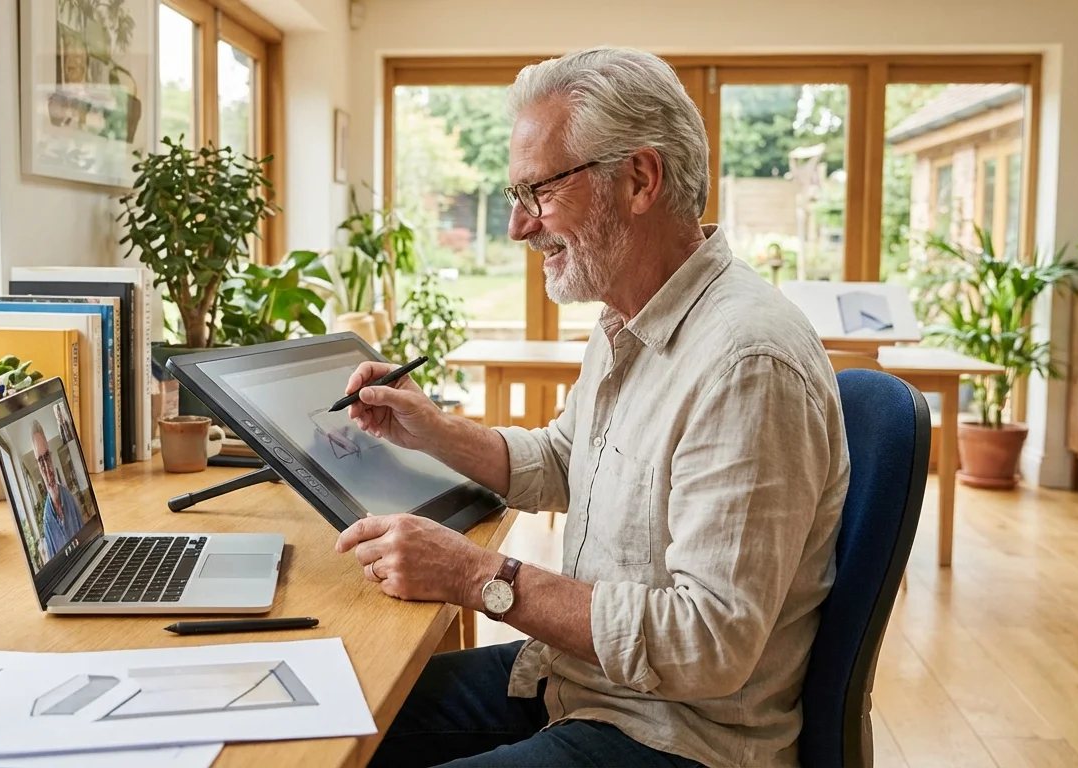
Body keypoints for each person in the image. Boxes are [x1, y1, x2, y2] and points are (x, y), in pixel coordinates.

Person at [334, 47, 849, 768]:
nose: (519, 229)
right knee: (343, 722)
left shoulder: (746, 364)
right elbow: (567, 461)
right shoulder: (628, 317)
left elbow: (710, 642)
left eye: (537, 192)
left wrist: (474, 576)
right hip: (576, 681)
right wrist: (434, 429)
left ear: (639, 179)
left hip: (676, 737)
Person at [32, 420, 84, 559]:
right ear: (38, 465)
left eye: (47, 456)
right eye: (41, 460)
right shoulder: (47, 520)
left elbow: (84, 534)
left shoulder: (69, 496)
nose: (46, 467)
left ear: (52, 457)